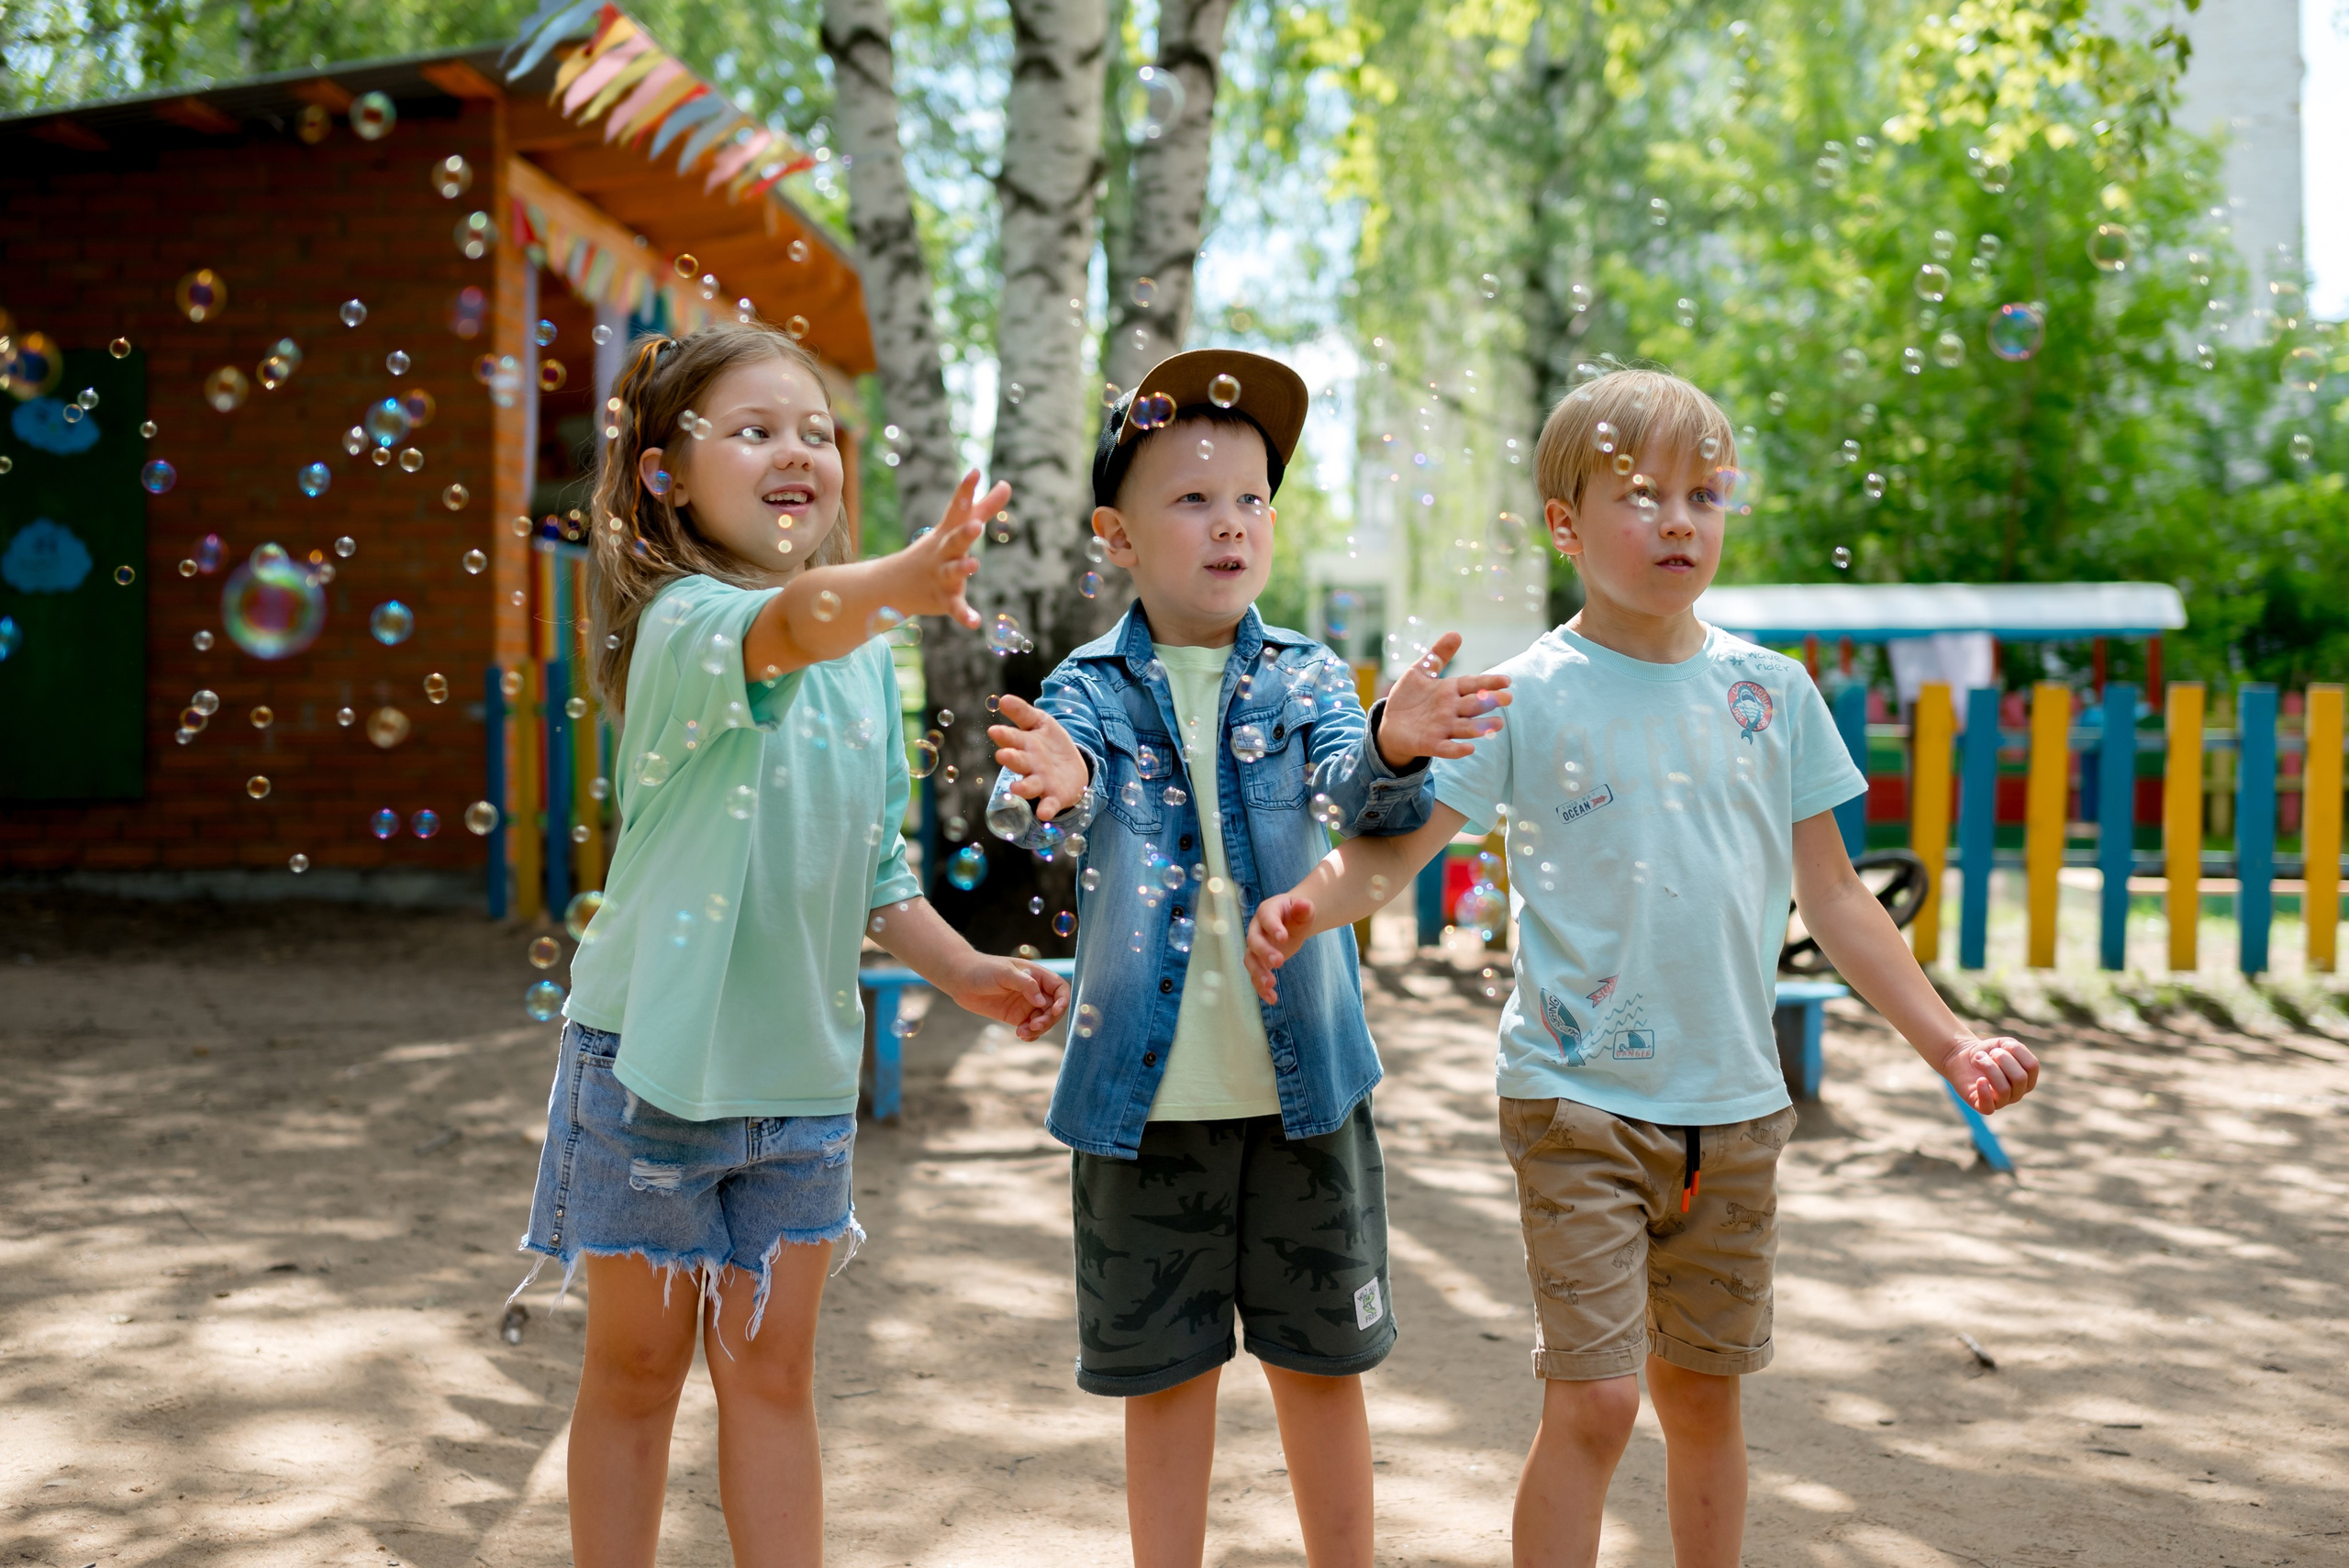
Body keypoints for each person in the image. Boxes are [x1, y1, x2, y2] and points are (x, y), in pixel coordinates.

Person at [1242, 366, 2042, 1568]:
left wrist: (1949, 1041)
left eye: (1704, 494)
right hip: (1575, 1100)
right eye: (1643, 494)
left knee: (1705, 1398)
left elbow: (1836, 897)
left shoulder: (1771, 694)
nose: (1680, 520)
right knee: (1599, 1400)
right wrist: (1305, 906)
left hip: (1735, 1108)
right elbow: (1392, 856)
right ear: (1564, 524)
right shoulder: (1521, 695)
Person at [517, 320, 1070, 1568]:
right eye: (756, 429)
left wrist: (965, 970)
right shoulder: (686, 623)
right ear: (664, 474)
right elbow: (797, 620)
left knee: (772, 1377)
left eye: (816, 430)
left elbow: (874, 871)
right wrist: (899, 579)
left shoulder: (867, 657)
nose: (798, 450)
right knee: (638, 1370)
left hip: (802, 1086)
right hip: (650, 1069)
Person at [982, 349, 1512, 1568]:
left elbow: (1360, 796)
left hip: (1305, 1096)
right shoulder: (1091, 685)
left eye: (1253, 500)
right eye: (1193, 499)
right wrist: (1062, 784)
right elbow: (1077, 770)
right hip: (1142, 1109)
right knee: (1164, 1386)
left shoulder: (1309, 675)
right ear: (1118, 535)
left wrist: (1390, 737)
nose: (1231, 524)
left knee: (1322, 1371)